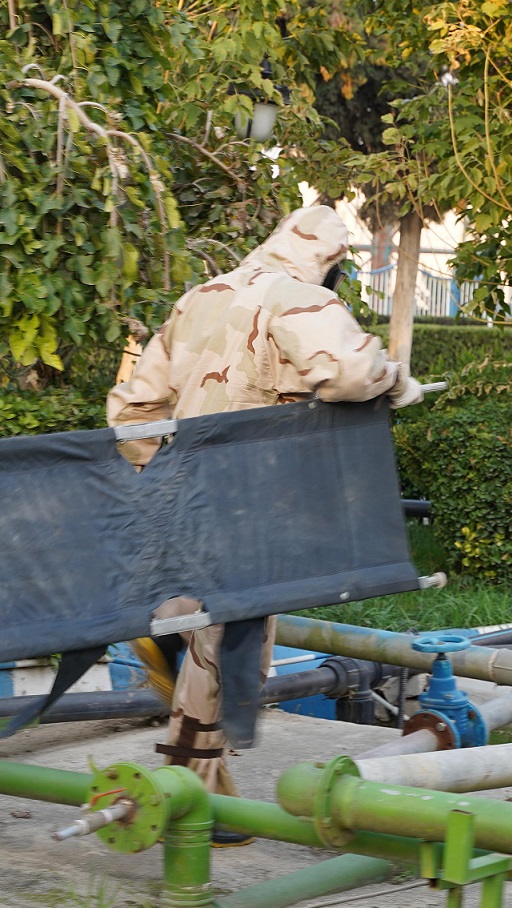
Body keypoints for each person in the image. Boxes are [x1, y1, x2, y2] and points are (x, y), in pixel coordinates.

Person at [107, 205, 424, 844]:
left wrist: (166, 481)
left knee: (207, 639)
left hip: (184, 498)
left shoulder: (198, 298)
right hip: (255, 506)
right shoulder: (302, 302)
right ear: (329, 259)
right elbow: (348, 372)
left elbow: (130, 412)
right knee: (225, 647)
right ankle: (196, 801)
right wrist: (394, 381)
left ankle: (203, 782)